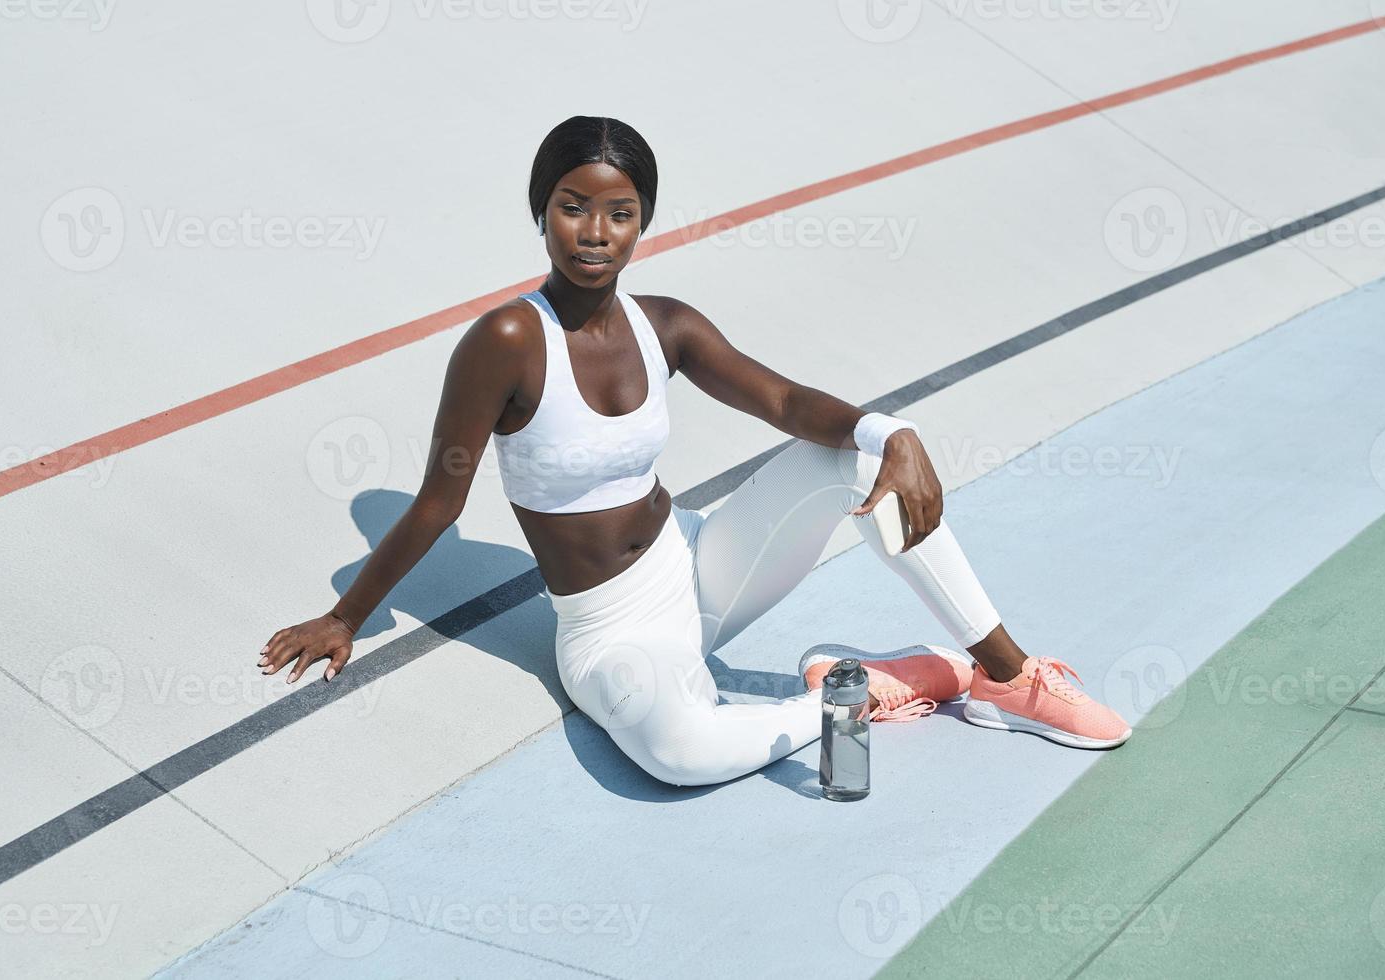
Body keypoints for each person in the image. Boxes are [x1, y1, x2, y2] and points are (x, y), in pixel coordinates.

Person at [257, 116, 1131, 788]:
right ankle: (857, 699)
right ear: (540, 213)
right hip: (609, 635)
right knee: (677, 756)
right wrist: (347, 616)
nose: (594, 232)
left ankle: (1009, 676)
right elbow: (436, 506)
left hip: (700, 576)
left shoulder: (663, 323)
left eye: (619, 213)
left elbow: (784, 401)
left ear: (643, 223)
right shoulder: (506, 340)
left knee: (865, 459)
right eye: (573, 208)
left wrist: (888, 430)